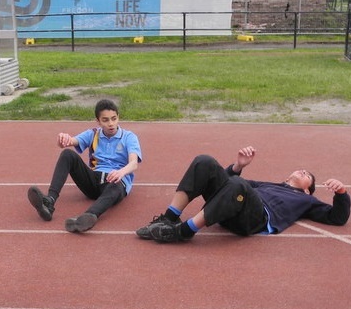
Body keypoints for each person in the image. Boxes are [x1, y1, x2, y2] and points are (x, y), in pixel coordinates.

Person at [136, 146, 349, 243]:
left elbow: (337, 218)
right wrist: (238, 165)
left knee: (239, 186)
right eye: (302, 169)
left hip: (255, 220)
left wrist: (341, 192)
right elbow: (231, 181)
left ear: (306, 189)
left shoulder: (307, 200)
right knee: (205, 161)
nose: (303, 171)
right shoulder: (268, 185)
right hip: (232, 209)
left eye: (308, 176)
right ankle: (169, 218)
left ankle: (183, 231)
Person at [27, 99, 142, 233]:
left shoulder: (129, 137)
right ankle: (49, 202)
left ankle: (88, 216)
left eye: (114, 119)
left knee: (116, 185)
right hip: (93, 181)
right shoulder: (93, 134)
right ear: (98, 121)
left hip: (115, 182)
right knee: (67, 154)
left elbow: (133, 163)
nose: (111, 123)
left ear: (118, 118)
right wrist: (64, 139)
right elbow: (71, 141)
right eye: (105, 120)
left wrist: (121, 173)